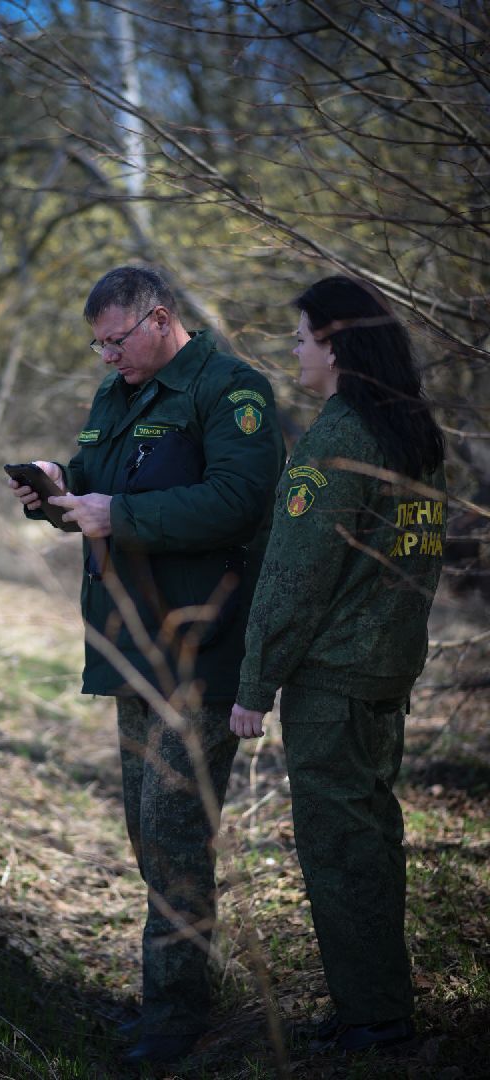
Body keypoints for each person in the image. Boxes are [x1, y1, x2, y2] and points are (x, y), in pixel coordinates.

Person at [9, 266, 285, 1065]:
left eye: (115, 340)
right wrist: (60, 491)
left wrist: (118, 513)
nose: (105, 357)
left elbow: (239, 500)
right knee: (146, 829)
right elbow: (97, 493)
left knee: (173, 833)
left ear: (160, 320)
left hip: (200, 650)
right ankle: (177, 993)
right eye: (96, 344)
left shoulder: (231, 390)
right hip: (130, 648)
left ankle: (174, 1021)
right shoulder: (119, 394)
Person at [230, 275, 446, 1053]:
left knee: (337, 844)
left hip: (333, 684)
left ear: (335, 343)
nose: (292, 352)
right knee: (373, 835)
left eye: (300, 337)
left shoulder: (338, 439)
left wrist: (253, 684)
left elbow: (293, 578)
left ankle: (373, 1021)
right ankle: (379, 1002)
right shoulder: (411, 433)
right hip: (387, 674)